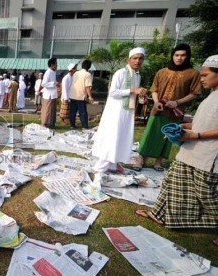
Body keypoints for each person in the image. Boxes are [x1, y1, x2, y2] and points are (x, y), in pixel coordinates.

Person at [135, 54, 218, 229]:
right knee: (171, 181)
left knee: (206, 194)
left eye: (205, 75)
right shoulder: (212, 95)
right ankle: (158, 214)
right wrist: (189, 125)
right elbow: (208, 119)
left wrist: (196, 135)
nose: (201, 79)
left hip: (207, 155)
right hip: (190, 150)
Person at [134, 43, 202, 171]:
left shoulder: (193, 74)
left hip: (175, 111)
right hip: (158, 109)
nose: (179, 58)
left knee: (169, 135)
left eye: (183, 55)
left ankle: (158, 162)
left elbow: (195, 93)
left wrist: (177, 102)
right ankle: (141, 159)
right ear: (172, 56)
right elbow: (154, 89)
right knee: (150, 133)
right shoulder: (162, 72)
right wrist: (156, 102)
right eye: (176, 55)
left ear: (187, 57)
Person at [91, 47, 147, 184]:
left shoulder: (137, 75)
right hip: (116, 112)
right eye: (135, 58)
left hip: (127, 112)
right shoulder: (121, 73)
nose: (137, 61)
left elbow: (132, 94)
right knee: (112, 138)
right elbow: (113, 92)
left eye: (140, 58)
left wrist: (141, 98)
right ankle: (100, 167)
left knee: (122, 137)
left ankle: (113, 164)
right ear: (128, 59)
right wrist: (133, 90)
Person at [69, 59, 94, 129]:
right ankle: (85, 126)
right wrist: (90, 97)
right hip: (81, 96)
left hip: (73, 94)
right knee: (82, 112)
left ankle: (72, 125)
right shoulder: (88, 74)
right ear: (89, 67)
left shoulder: (76, 73)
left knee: (72, 112)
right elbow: (87, 87)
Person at [41, 57, 59, 129]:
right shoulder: (48, 72)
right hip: (48, 95)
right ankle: (45, 123)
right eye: (56, 64)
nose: (57, 65)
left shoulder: (53, 72)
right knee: (47, 110)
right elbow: (44, 84)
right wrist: (53, 83)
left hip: (53, 94)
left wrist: (55, 84)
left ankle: (51, 123)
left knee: (52, 110)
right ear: (52, 65)